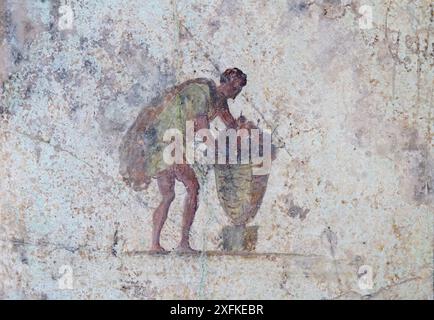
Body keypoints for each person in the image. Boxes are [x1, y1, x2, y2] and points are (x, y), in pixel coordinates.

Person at [119, 68, 247, 253]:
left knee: (168, 195)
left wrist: (243, 129)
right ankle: (183, 244)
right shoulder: (201, 92)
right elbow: (202, 128)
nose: (237, 91)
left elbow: (231, 124)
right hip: (166, 142)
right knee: (193, 187)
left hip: (169, 143)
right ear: (225, 82)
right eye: (235, 86)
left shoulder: (219, 102)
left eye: (239, 88)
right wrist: (220, 154)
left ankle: (156, 244)